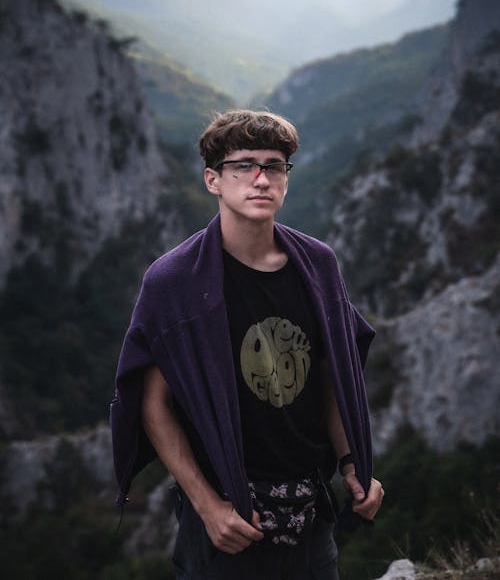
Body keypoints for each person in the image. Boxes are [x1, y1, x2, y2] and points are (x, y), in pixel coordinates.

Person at [111, 110, 384, 580]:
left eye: (274, 166)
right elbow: (153, 404)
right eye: (243, 166)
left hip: (310, 512)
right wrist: (208, 506)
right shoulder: (175, 280)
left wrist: (351, 460)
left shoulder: (316, 265)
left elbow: (331, 375)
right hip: (227, 519)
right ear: (213, 180)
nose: (261, 179)